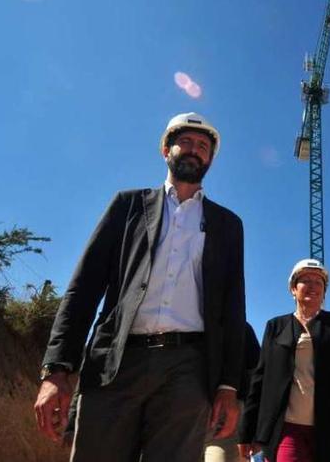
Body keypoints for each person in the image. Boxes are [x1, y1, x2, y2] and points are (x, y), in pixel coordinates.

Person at [33, 112, 246, 462]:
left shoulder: (227, 225)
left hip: (188, 369)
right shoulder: (128, 206)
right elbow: (83, 289)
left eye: (204, 147)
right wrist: (57, 370)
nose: (195, 150)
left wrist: (227, 386)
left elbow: (232, 310)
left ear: (210, 159)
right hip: (117, 361)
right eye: (186, 142)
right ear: (166, 149)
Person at [239, 258, 330, 462]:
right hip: (286, 429)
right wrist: (247, 431)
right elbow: (259, 380)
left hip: (328, 428)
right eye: (306, 280)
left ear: (324, 291)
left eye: (319, 282)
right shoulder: (275, 327)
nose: (313, 286)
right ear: (293, 289)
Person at [204, 322, 261, 462]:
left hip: (226, 423)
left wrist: (253, 429)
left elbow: (256, 379)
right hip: (181, 420)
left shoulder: (241, 327)